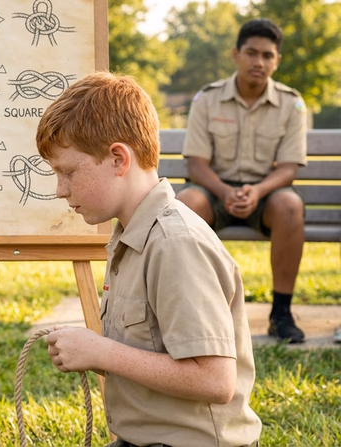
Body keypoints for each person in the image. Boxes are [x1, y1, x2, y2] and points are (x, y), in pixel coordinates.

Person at [38, 72, 262, 446]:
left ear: (118, 159)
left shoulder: (175, 244)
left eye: (69, 172)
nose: (60, 190)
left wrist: (102, 352)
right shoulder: (130, 234)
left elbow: (215, 380)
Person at [176, 18, 308, 343]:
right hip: (213, 190)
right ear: (236, 54)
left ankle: (281, 314)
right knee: (184, 205)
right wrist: (225, 191)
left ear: (276, 60)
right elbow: (196, 163)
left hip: (265, 195)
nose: (259, 62)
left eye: (267, 55)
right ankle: (187, 311)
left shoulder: (291, 103)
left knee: (291, 206)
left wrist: (258, 190)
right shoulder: (207, 99)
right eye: (251, 53)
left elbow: (289, 168)